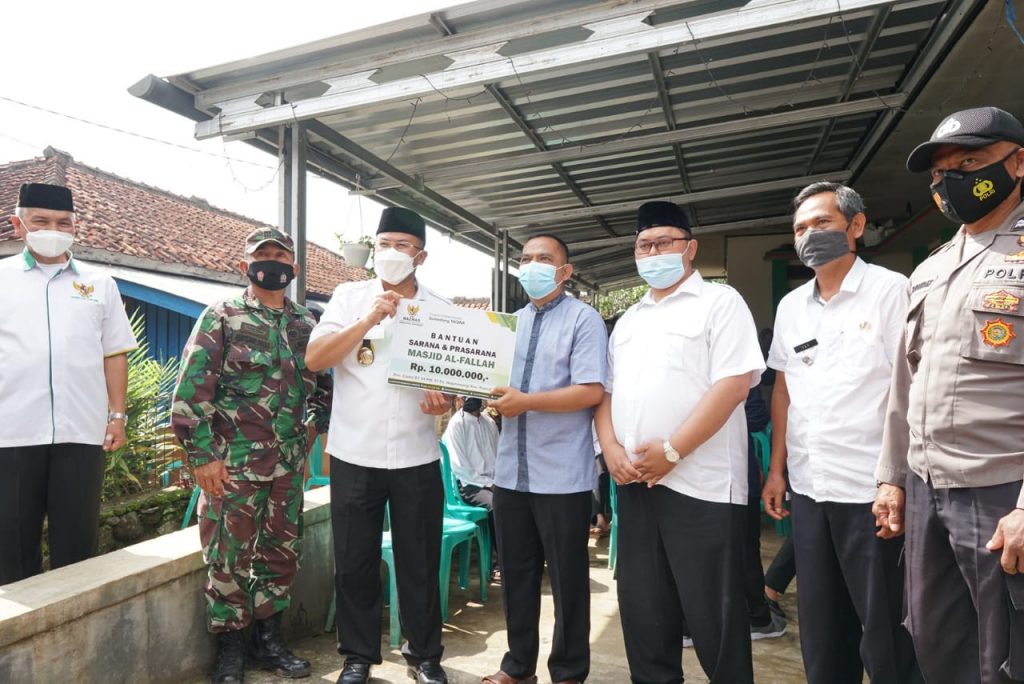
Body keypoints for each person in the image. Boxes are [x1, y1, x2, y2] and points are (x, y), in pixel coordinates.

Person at [875, 106, 1024, 684]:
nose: (952, 180)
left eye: (970, 163)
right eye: (940, 172)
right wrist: (891, 477)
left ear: (1017, 162)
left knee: (1004, 659)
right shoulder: (931, 269)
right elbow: (904, 385)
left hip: (1001, 492)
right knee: (936, 644)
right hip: (927, 490)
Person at [595, 200, 764, 684]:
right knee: (645, 612)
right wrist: (610, 449)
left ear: (690, 248)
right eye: (644, 244)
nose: (653, 252)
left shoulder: (720, 303)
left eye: (663, 242)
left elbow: (733, 384)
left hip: (703, 487)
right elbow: (606, 393)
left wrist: (671, 452)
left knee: (715, 617)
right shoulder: (628, 320)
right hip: (636, 483)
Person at [761, 182, 920, 684]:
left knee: (888, 630)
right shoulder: (791, 307)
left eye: (821, 223)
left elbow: (914, 386)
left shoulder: (893, 291)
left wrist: (897, 479)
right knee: (823, 627)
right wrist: (776, 470)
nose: (809, 235)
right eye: (800, 228)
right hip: (811, 490)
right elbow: (784, 391)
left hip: (873, 492)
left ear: (855, 226)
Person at [172, 227, 333, 684]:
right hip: (231, 465)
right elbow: (190, 394)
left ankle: (269, 641)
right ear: (244, 267)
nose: (272, 263)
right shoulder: (221, 316)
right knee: (228, 558)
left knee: (280, 554)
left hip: (286, 466)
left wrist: (310, 431)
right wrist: (202, 457)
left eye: (280, 256)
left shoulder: (307, 323)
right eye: (262, 256)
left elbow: (325, 386)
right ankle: (230, 651)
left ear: (295, 269)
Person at [304, 207, 452, 684]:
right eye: (383, 243)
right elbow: (314, 358)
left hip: (416, 457)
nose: (390, 253)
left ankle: (425, 655)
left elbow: (450, 391)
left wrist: (441, 403)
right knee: (354, 562)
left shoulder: (441, 310)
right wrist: (368, 318)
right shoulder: (348, 298)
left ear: (421, 255)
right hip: (354, 454)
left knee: (419, 560)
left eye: (402, 245)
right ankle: (358, 657)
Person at [481, 234, 608, 684]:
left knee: (569, 581)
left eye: (544, 259)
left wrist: (528, 402)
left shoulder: (584, 320)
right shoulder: (505, 325)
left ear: (564, 271)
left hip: (562, 476)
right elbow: (490, 384)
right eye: (526, 259)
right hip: (511, 472)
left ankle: (569, 671)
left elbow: (592, 390)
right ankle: (517, 667)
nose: (532, 265)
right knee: (516, 576)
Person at [0, 183, 137, 585]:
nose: (52, 229)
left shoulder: (99, 284)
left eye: (62, 222)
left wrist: (117, 417)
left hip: (82, 433)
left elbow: (115, 353)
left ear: (75, 227)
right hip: (11, 433)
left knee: (77, 550)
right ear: (18, 224)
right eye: (41, 221)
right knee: (10, 548)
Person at [443, 396, 499, 512]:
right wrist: (489, 484)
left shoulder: (489, 422)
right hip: (470, 485)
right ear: (457, 400)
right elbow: (460, 468)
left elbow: (499, 458)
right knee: (497, 503)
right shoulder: (456, 424)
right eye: (464, 396)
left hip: (494, 482)